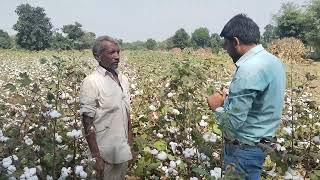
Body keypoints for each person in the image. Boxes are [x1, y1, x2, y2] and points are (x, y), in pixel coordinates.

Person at [207, 14, 286, 180]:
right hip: (261, 144)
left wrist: (216, 106)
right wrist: (230, 99)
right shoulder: (274, 62)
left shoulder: (248, 70)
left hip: (243, 150)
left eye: (226, 44)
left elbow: (232, 123)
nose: (225, 49)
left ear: (236, 42)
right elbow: (262, 101)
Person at [80, 35, 133, 180]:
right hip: (104, 155)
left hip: (121, 152)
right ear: (97, 56)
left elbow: (127, 114)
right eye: (111, 53)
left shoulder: (123, 79)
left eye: (118, 52)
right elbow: (87, 121)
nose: (117, 56)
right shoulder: (92, 82)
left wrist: (130, 145)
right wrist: (96, 157)